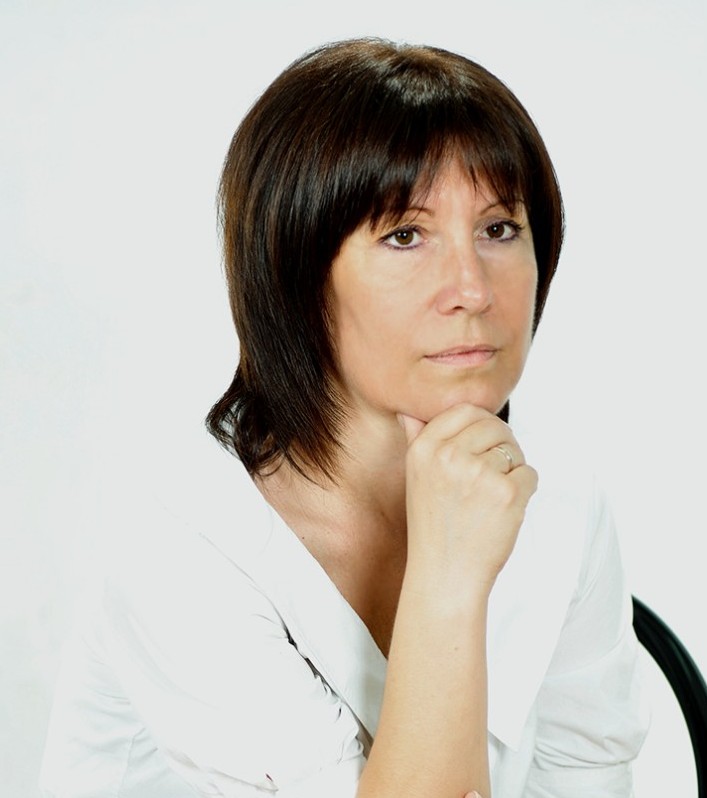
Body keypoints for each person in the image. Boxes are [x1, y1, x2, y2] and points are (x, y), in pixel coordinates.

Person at [40, 38, 649, 797]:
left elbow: (587, 775)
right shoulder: (182, 542)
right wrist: (448, 577)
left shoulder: (561, 506)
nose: (472, 289)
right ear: (296, 274)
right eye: (404, 235)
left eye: (499, 229)